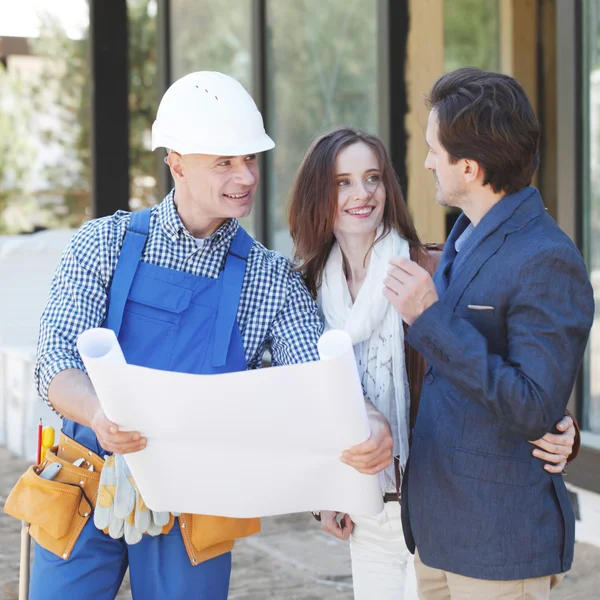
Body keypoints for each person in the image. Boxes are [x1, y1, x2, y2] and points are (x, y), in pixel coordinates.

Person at [9, 72, 394, 600]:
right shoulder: (103, 244)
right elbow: (55, 361)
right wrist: (100, 412)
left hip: (196, 499)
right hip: (85, 482)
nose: (245, 177)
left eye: (251, 160)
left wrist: (368, 423)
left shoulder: (269, 279)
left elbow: (321, 381)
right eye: (225, 162)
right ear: (177, 163)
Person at [288, 124, 579, 600]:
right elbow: (303, 402)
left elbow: (495, 369)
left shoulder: (429, 272)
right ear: (316, 192)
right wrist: (325, 494)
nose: (361, 193)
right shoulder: (307, 291)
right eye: (342, 182)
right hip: (364, 511)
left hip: (432, 513)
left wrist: (560, 424)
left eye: (373, 178)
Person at [385, 68, 595, 599]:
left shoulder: (547, 258)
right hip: (437, 534)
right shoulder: (461, 240)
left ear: (471, 167)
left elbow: (532, 405)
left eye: (435, 150)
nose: (428, 161)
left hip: (499, 544)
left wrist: (430, 319)